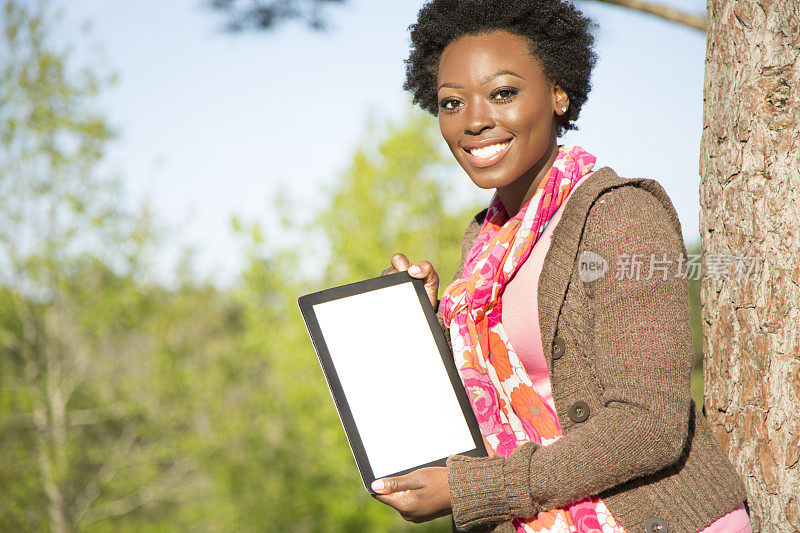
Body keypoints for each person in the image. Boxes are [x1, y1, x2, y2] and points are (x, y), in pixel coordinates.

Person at [373, 1, 752, 532]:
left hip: (651, 518)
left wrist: (475, 490)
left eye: (503, 93)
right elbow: (502, 393)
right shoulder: (485, 246)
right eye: (452, 103)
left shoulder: (619, 214)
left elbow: (650, 425)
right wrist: (428, 323)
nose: (476, 120)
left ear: (558, 92)